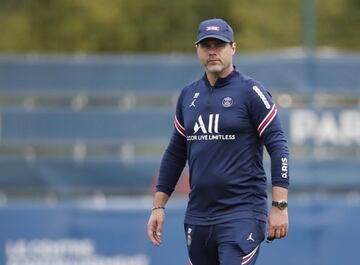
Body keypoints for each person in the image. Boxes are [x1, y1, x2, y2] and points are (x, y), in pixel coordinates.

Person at [147, 18, 289, 265]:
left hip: (241, 213)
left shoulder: (250, 92)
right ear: (198, 50)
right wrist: (158, 207)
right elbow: (175, 153)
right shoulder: (189, 95)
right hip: (199, 216)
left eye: (219, 45)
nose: (213, 51)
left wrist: (279, 205)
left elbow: (278, 145)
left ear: (233, 48)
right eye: (206, 45)